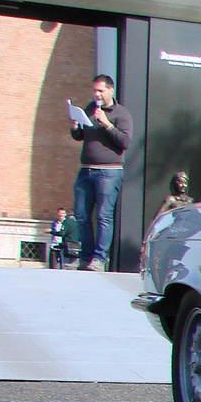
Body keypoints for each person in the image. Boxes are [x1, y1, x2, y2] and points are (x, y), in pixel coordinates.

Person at [70, 74, 132, 271]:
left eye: (100, 91)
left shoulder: (121, 114)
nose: (96, 94)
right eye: (94, 90)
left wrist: (107, 123)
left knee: (104, 216)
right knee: (81, 214)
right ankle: (85, 257)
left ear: (110, 91)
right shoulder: (90, 108)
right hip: (86, 170)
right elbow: (81, 135)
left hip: (108, 172)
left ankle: (99, 258)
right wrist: (75, 127)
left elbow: (125, 143)